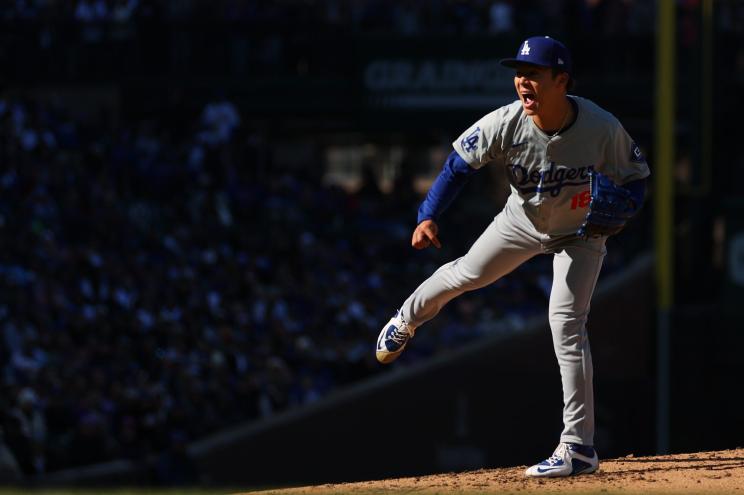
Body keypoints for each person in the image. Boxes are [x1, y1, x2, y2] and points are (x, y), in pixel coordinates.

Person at [374, 36, 649, 477]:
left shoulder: (601, 127)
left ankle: (578, 447)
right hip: (521, 221)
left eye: (533, 74)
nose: (522, 81)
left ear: (562, 81)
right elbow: (457, 166)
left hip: (582, 232)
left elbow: (636, 178)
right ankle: (406, 319)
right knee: (466, 273)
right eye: (519, 73)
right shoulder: (506, 122)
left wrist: (629, 207)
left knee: (565, 322)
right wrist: (428, 216)